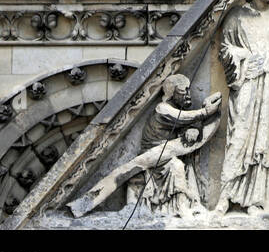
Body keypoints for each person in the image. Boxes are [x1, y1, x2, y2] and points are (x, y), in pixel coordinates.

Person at [69, 74, 221, 219]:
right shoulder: (162, 108)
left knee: (177, 165)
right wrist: (204, 112)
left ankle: (182, 206)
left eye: (188, 90)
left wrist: (193, 130)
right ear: (171, 93)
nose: (188, 94)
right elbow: (181, 118)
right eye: (183, 91)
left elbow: (185, 125)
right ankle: (86, 202)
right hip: (152, 155)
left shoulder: (179, 110)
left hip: (166, 154)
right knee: (175, 167)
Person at [216, 0, 269, 215]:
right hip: (247, 83)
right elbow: (225, 50)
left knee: (264, 143)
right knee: (240, 137)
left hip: (268, 87)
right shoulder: (237, 16)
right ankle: (226, 197)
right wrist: (246, 57)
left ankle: (256, 201)